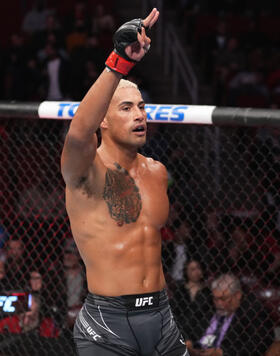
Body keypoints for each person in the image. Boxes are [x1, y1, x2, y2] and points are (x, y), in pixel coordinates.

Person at [61, 8, 188, 356]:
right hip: (108, 322)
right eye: (127, 108)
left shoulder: (158, 172)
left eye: (142, 108)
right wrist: (119, 61)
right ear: (103, 119)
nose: (139, 115)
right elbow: (77, 133)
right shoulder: (85, 172)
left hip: (161, 317)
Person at [186, 273, 274, 356]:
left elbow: (260, 342)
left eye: (223, 298)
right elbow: (185, 322)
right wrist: (188, 342)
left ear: (237, 295)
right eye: (215, 299)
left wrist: (223, 353)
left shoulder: (253, 310)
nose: (218, 303)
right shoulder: (207, 303)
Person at [171, 260, 213, 342]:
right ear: (186, 272)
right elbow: (175, 312)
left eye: (198, 268)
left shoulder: (207, 292)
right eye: (192, 269)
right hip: (181, 329)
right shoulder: (180, 291)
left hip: (202, 331)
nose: (196, 272)